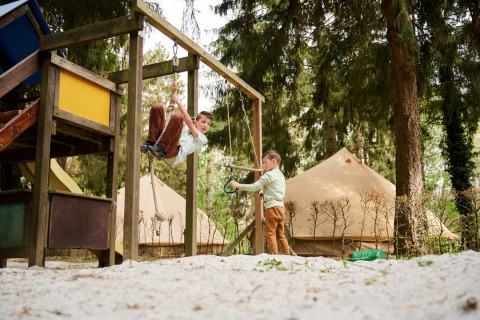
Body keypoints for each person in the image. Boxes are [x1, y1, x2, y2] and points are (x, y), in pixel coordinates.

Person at [229, 150, 290, 255]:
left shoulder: (268, 175)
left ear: (274, 161)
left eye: (265, 162)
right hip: (281, 207)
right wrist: (262, 192)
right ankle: (287, 255)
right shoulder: (280, 175)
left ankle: (274, 255)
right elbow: (274, 189)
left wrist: (238, 185)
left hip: (271, 208)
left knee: (271, 234)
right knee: (281, 234)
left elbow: (254, 186)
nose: (263, 165)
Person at [141, 83, 214, 166]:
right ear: (196, 122)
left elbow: (189, 123)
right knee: (157, 107)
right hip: (163, 144)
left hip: (173, 155)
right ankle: (151, 142)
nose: (206, 126)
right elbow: (172, 115)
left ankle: (160, 149)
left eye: (209, 124)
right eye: (203, 122)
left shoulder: (202, 139)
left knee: (179, 116)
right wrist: (173, 93)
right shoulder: (185, 127)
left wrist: (178, 101)